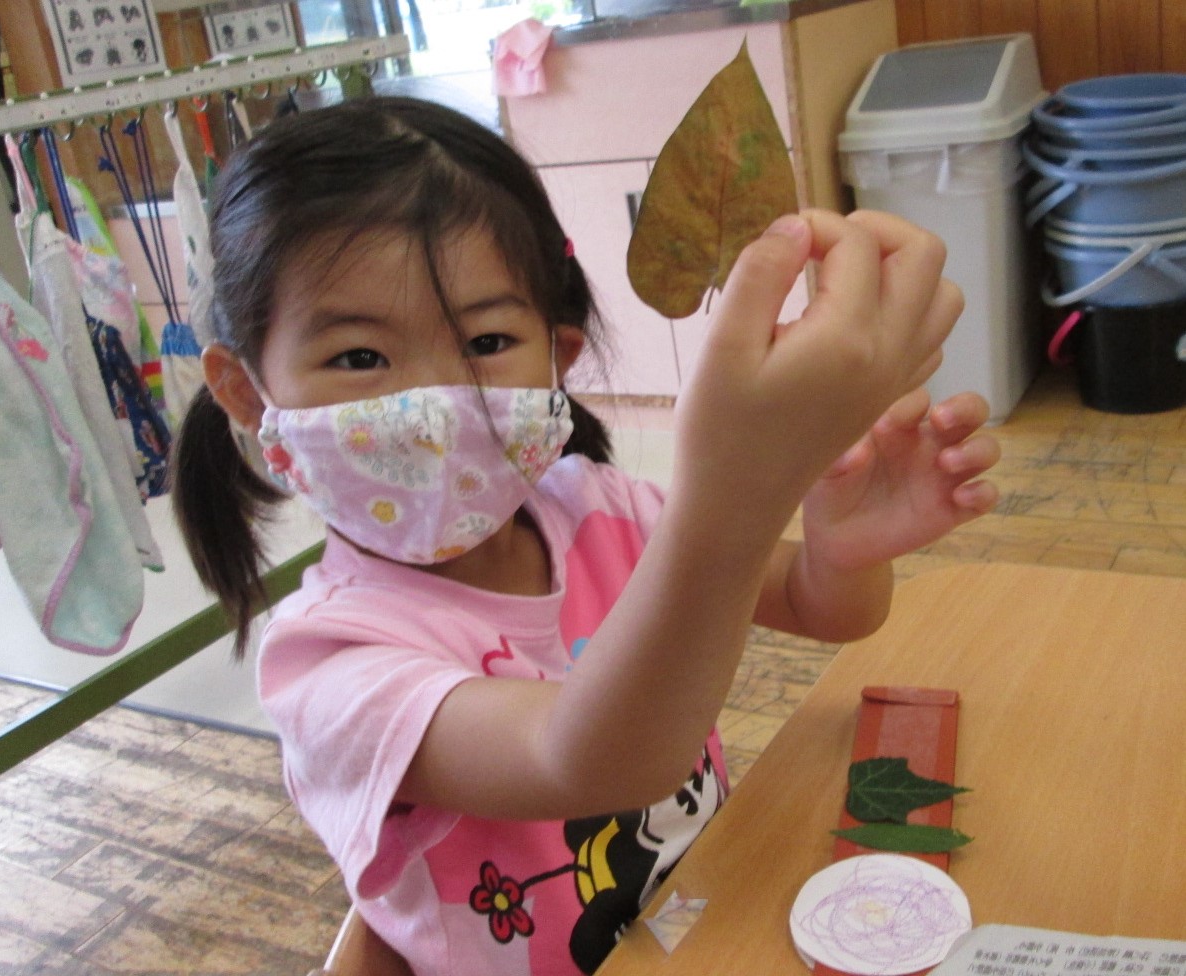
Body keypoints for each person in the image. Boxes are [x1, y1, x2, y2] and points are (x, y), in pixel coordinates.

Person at [172, 96, 999, 976]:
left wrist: (844, 541)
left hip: (704, 932)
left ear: (557, 359)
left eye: (487, 339)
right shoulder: (329, 665)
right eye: (358, 357)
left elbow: (820, 607)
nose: (435, 405)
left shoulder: (601, 508)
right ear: (248, 394)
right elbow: (590, 760)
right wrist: (735, 489)